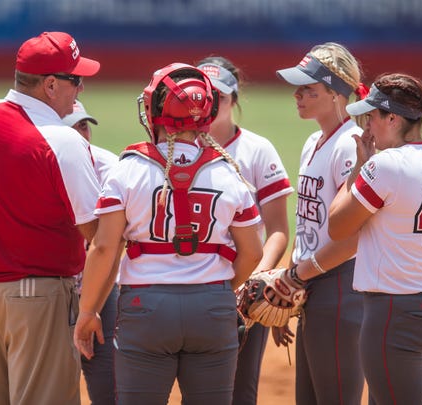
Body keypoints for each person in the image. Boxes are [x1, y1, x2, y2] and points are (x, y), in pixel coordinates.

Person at [74, 62, 263, 404]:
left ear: (155, 110)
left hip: (145, 306)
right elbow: (253, 252)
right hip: (212, 308)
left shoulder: (128, 168)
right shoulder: (227, 172)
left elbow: (104, 248)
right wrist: (219, 290)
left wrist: (88, 312)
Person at [0, 31, 101, 405]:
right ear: (50, 84)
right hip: (38, 295)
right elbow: (95, 232)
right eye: (75, 81)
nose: (79, 90)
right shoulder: (63, 141)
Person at [328, 73, 422, 404]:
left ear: (392, 118)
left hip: (394, 313)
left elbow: (337, 226)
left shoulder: (385, 165)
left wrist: (358, 168)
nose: (366, 128)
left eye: (372, 117)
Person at [196, 56, 293, 405]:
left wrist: (256, 280)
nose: (209, 104)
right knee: (195, 387)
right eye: (202, 94)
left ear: (234, 100)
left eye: (218, 97)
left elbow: (279, 228)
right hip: (192, 284)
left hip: (243, 287)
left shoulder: (256, 149)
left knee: (241, 389)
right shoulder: (178, 144)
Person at [274, 42, 368, 404]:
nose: (297, 95)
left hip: (340, 285)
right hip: (313, 280)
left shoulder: (350, 146)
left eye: (308, 90)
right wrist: (289, 281)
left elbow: (351, 237)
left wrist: (297, 276)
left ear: (335, 94)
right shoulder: (314, 140)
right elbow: (305, 222)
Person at [63, 100, 119, 405]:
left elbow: (112, 243)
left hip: (100, 288)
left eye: (84, 125)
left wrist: (94, 303)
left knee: (107, 381)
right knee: (53, 383)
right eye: (71, 128)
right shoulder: (40, 161)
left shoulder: (109, 166)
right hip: (53, 287)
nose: (81, 135)